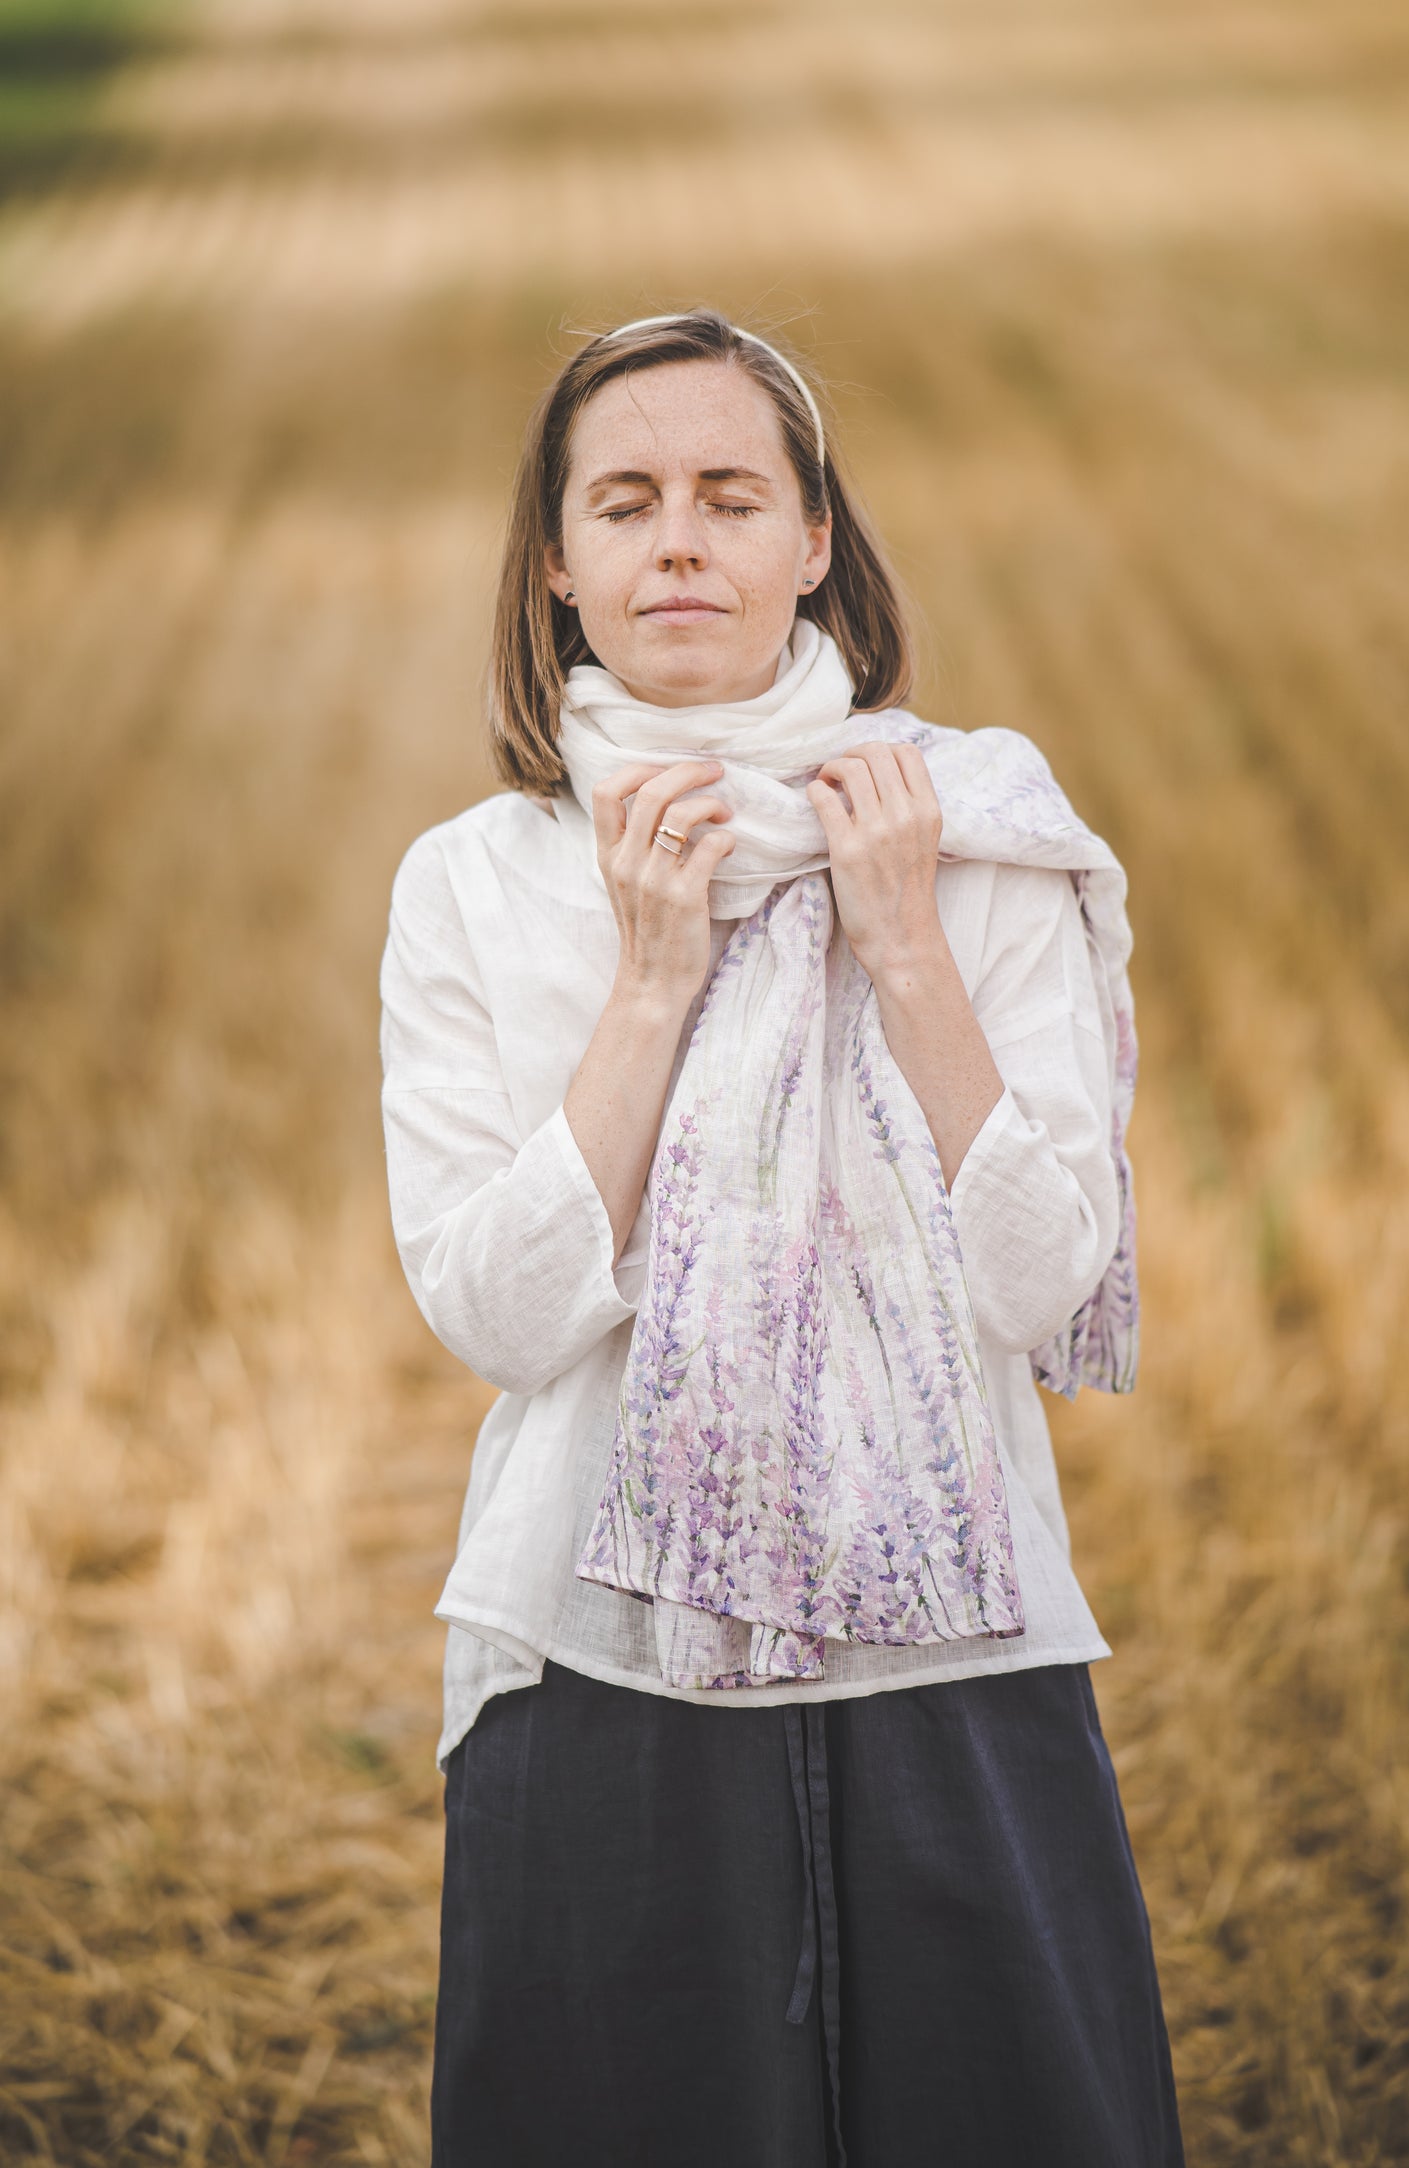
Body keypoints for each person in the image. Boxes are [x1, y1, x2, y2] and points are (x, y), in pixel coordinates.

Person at [379, 308, 1186, 2168]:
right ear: (560, 565)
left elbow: (1042, 1280)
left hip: (954, 1643)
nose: (681, 540)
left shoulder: (979, 838)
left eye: (731, 495)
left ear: (812, 540)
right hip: (599, 1647)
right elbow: (498, 1315)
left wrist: (901, 940)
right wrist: (653, 981)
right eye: (628, 501)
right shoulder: (473, 884)